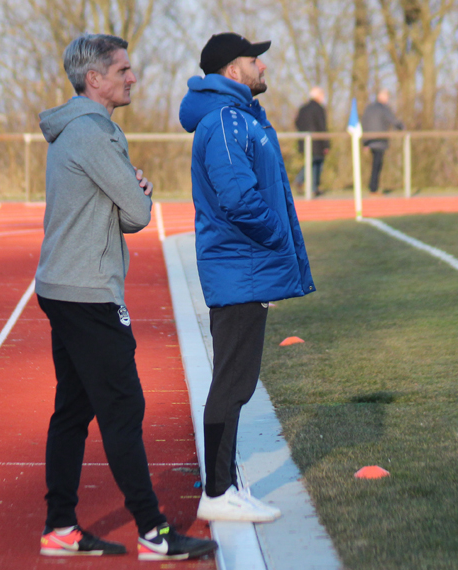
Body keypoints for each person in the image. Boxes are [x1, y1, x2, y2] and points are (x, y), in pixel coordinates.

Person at [35, 33, 217, 561]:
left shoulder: (70, 129)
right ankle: (153, 532)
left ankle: (60, 527)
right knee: (123, 407)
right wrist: (138, 191)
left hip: (61, 286)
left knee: (73, 409)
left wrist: (126, 191)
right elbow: (136, 215)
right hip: (87, 293)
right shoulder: (97, 134)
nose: (132, 77)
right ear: (95, 79)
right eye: (123, 70)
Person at [179, 32, 315, 522]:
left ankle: (225, 487)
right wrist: (277, 235)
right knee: (233, 383)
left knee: (238, 381)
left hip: (246, 267)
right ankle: (217, 494)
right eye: (255, 60)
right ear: (233, 70)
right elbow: (238, 197)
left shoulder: (240, 116)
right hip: (240, 266)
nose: (263, 67)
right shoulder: (224, 120)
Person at [362, 88, 404, 193]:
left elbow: (364, 123)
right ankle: (373, 188)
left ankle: (373, 187)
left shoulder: (369, 108)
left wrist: (364, 142)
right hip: (379, 141)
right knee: (377, 164)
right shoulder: (384, 108)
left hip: (369, 140)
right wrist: (401, 127)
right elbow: (393, 120)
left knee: (374, 165)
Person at [294, 86, 330, 196]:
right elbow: (322, 126)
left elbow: (297, 123)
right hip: (317, 142)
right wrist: (326, 144)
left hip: (304, 141)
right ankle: (302, 181)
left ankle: (312, 187)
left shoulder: (302, 108)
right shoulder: (319, 108)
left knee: (312, 162)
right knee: (315, 163)